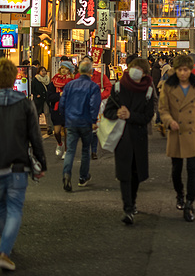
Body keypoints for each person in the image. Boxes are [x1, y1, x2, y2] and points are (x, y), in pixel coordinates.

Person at [0, 58, 47, 271]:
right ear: (14, 78)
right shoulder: (25, 103)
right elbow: (35, 136)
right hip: (17, 165)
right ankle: (4, 251)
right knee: (14, 208)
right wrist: (42, 163)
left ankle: (4, 245)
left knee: (1, 208)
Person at [104, 58, 155, 225]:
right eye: (134, 68)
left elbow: (148, 116)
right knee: (124, 173)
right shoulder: (118, 87)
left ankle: (132, 201)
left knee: (136, 173)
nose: (136, 71)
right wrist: (117, 113)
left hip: (139, 137)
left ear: (145, 73)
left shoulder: (148, 90)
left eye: (140, 69)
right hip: (122, 137)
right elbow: (107, 111)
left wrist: (131, 115)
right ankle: (128, 208)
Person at [159, 54, 195, 222]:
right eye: (179, 70)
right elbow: (163, 108)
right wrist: (169, 121)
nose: (182, 73)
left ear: (191, 70)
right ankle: (179, 194)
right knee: (176, 169)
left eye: (185, 70)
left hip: (193, 132)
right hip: (176, 132)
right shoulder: (168, 86)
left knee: (192, 170)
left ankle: (189, 202)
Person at [59, 60, 101, 192]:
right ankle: (83, 177)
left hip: (71, 121)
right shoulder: (93, 87)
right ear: (90, 71)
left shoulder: (70, 85)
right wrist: (94, 120)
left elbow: (62, 103)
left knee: (70, 150)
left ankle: (66, 174)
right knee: (85, 150)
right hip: (86, 122)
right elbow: (94, 105)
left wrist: (65, 116)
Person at [75, 55, 112, 160]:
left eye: (88, 62)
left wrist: (99, 97)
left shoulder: (100, 76)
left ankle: (94, 151)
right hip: (83, 105)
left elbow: (108, 88)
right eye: (84, 62)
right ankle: (86, 149)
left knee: (94, 128)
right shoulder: (78, 77)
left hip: (96, 106)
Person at [47, 61, 74, 158]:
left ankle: (67, 151)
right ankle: (59, 144)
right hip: (56, 109)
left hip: (68, 109)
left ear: (69, 71)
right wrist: (59, 95)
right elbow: (49, 97)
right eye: (62, 68)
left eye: (66, 69)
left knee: (67, 131)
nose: (64, 70)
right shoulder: (53, 82)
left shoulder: (72, 82)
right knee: (57, 131)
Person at [31, 65, 53, 134]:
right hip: (38, 99)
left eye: (44, 71)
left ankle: (49, 128)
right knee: (37, 113)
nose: (44, 72)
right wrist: (36, 94)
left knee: (47, 113)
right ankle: (36, 128)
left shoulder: (48, 79)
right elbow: (32, 88)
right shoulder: (35, 79)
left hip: (46, 99)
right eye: (42, 71)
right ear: (39, 72)